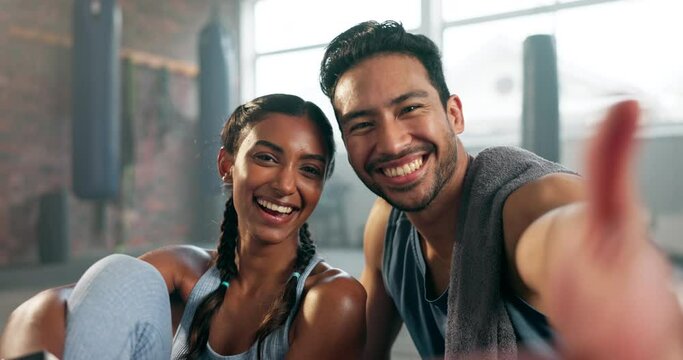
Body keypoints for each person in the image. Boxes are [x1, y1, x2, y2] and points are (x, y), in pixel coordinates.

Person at [319, 20, 683, 359]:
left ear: (454, 115)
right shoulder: (387, 229)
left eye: (410, 108)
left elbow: (554, 230)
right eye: (363, 124)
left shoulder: (526, 204)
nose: (391, 143)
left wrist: (596, 256)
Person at [0, 94, 366, 359]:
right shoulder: (187, 272)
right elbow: (47, 308)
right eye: (267, 158)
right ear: (226, 165)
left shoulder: (332, 299)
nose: (286, 185)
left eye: (309, 170)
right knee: (120, 271)